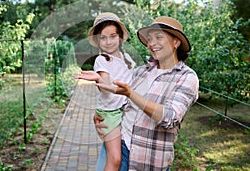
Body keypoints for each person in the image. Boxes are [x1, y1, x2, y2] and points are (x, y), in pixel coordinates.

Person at [77, 16, 199, 170]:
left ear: (176, 42)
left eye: (158, 37)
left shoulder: (186, 77)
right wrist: (101, 113)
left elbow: (170, 117)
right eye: (149, 39)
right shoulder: (141, 72)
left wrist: (130, 94)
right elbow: (120, 98)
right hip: (121, 144)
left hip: (147, 159)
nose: (151, 43)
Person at [75, 12, 135, 171]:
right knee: (115, 159)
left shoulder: (127, 58)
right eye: (103, 37)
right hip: (110, 113)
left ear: (120, 37)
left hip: (126, 112)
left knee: (125, 155)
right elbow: (106, 88)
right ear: (97, 40)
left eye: (113, 36)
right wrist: (98, 79)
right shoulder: (101, 60)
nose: (108, 42)